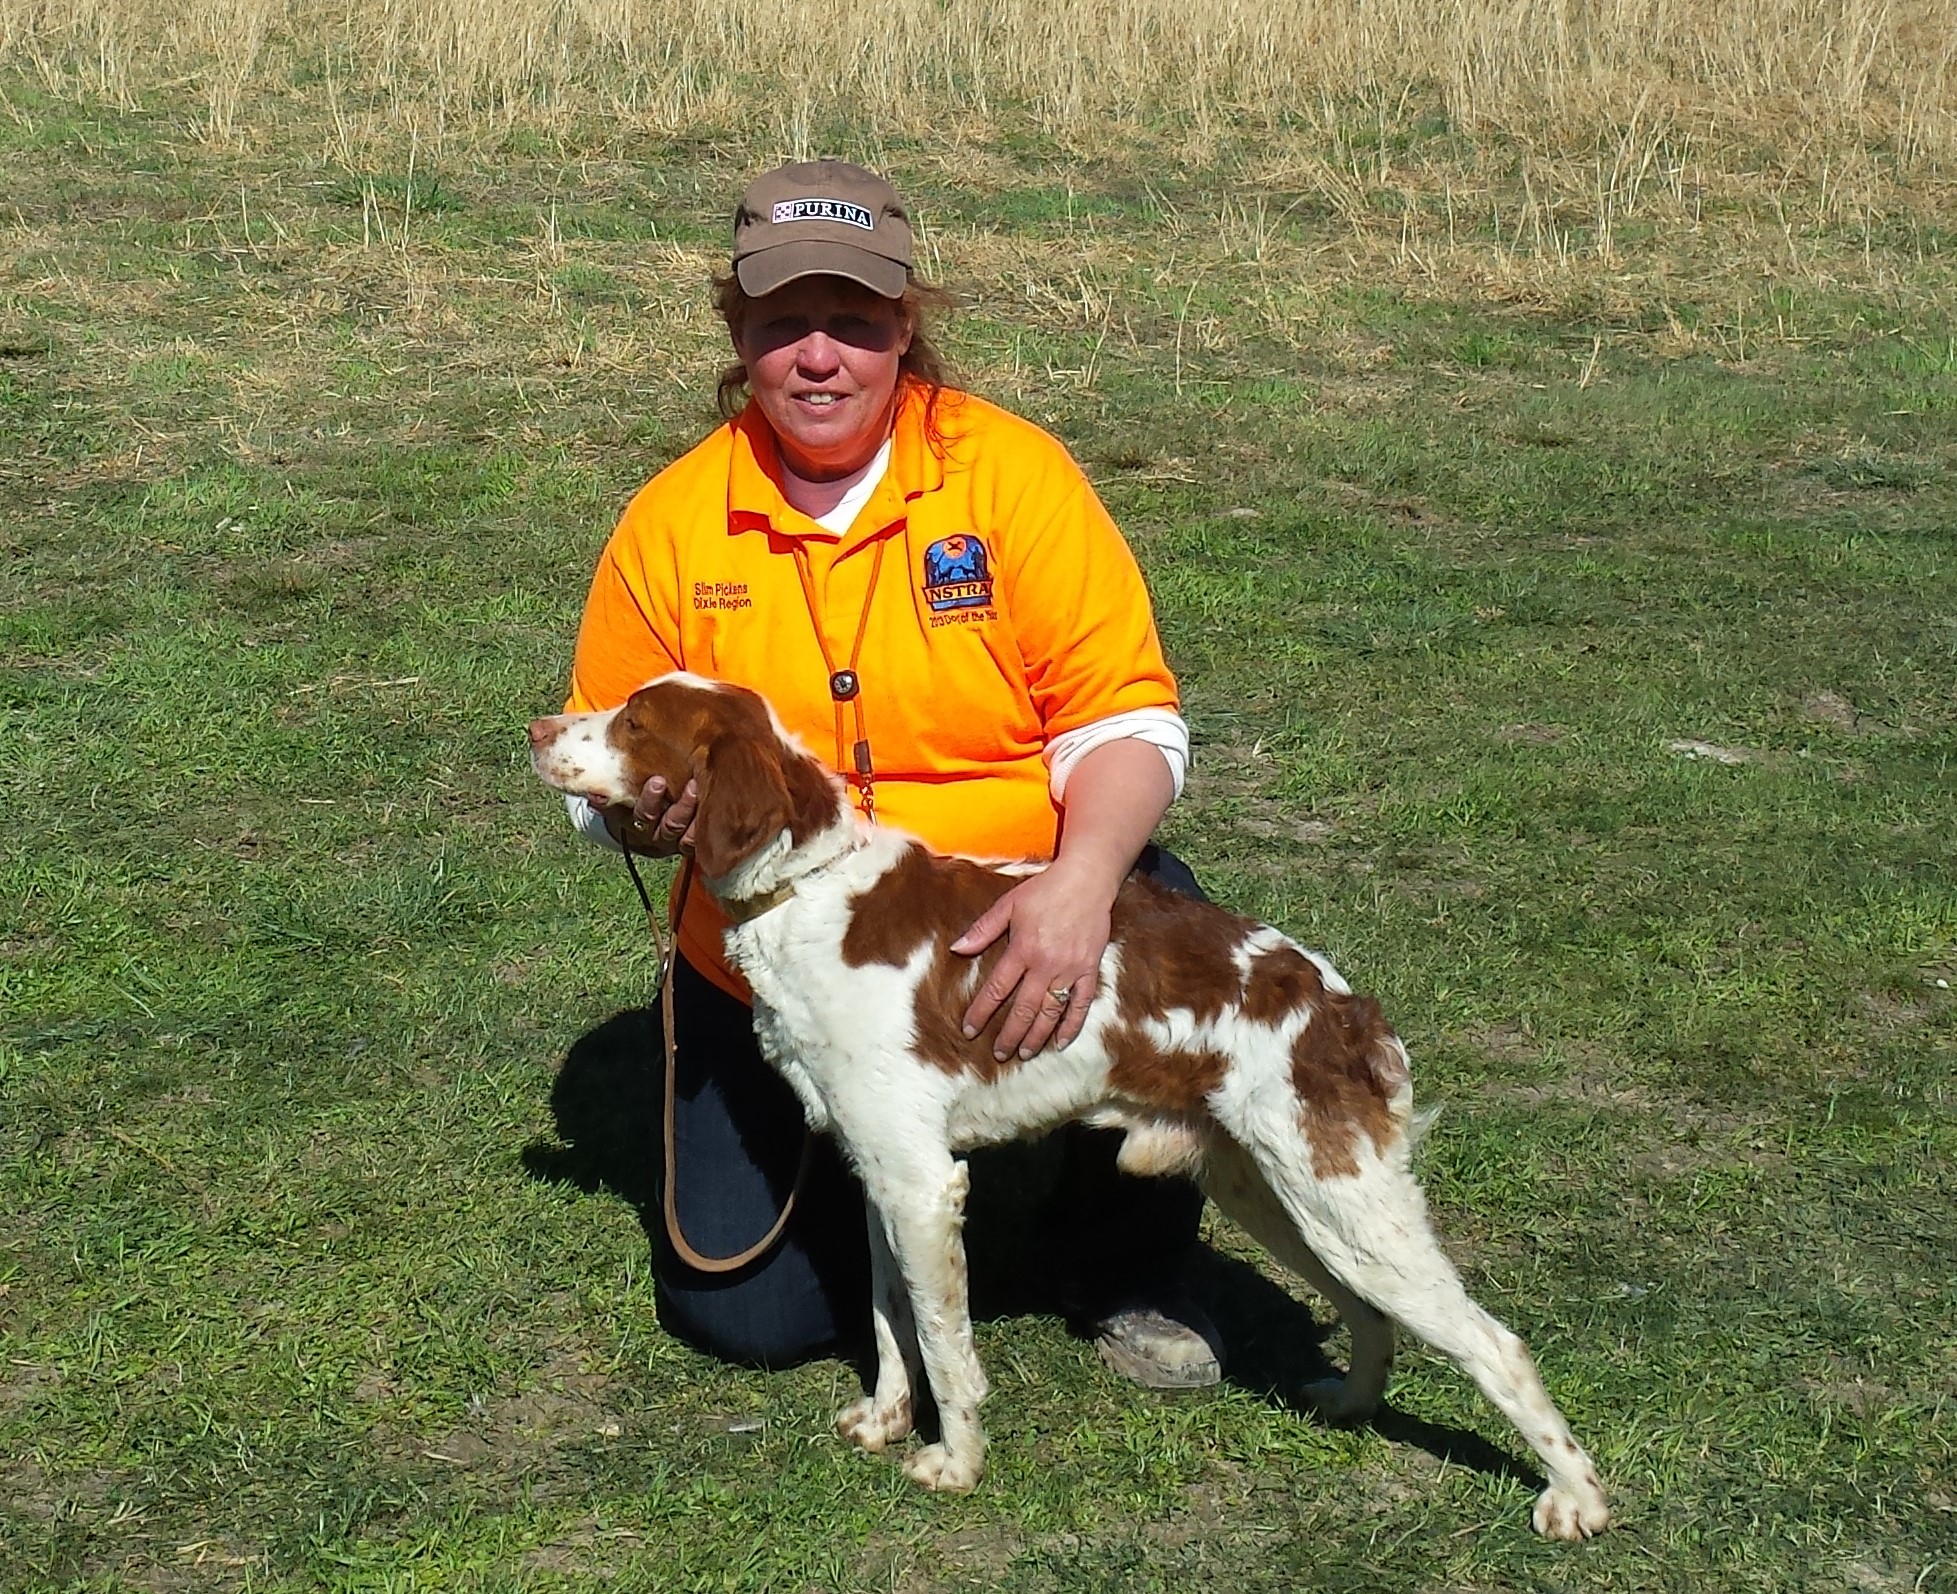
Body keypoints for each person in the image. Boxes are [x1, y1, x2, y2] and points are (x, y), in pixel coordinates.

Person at [561, 159, 1222, 1388]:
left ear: (905, 325)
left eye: (854, 322)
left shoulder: (1012, 475)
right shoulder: (670, 521)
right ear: (737, 334)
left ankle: (1121, 1261)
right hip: (782, 955)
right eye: (782, 324)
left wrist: (1080, 888)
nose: (819, 358)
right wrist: (644, 821)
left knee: (1156, 901)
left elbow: (1127, 720)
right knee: (749, 1320)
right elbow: (597, 791)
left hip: (1016, 906)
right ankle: (893, 1163)